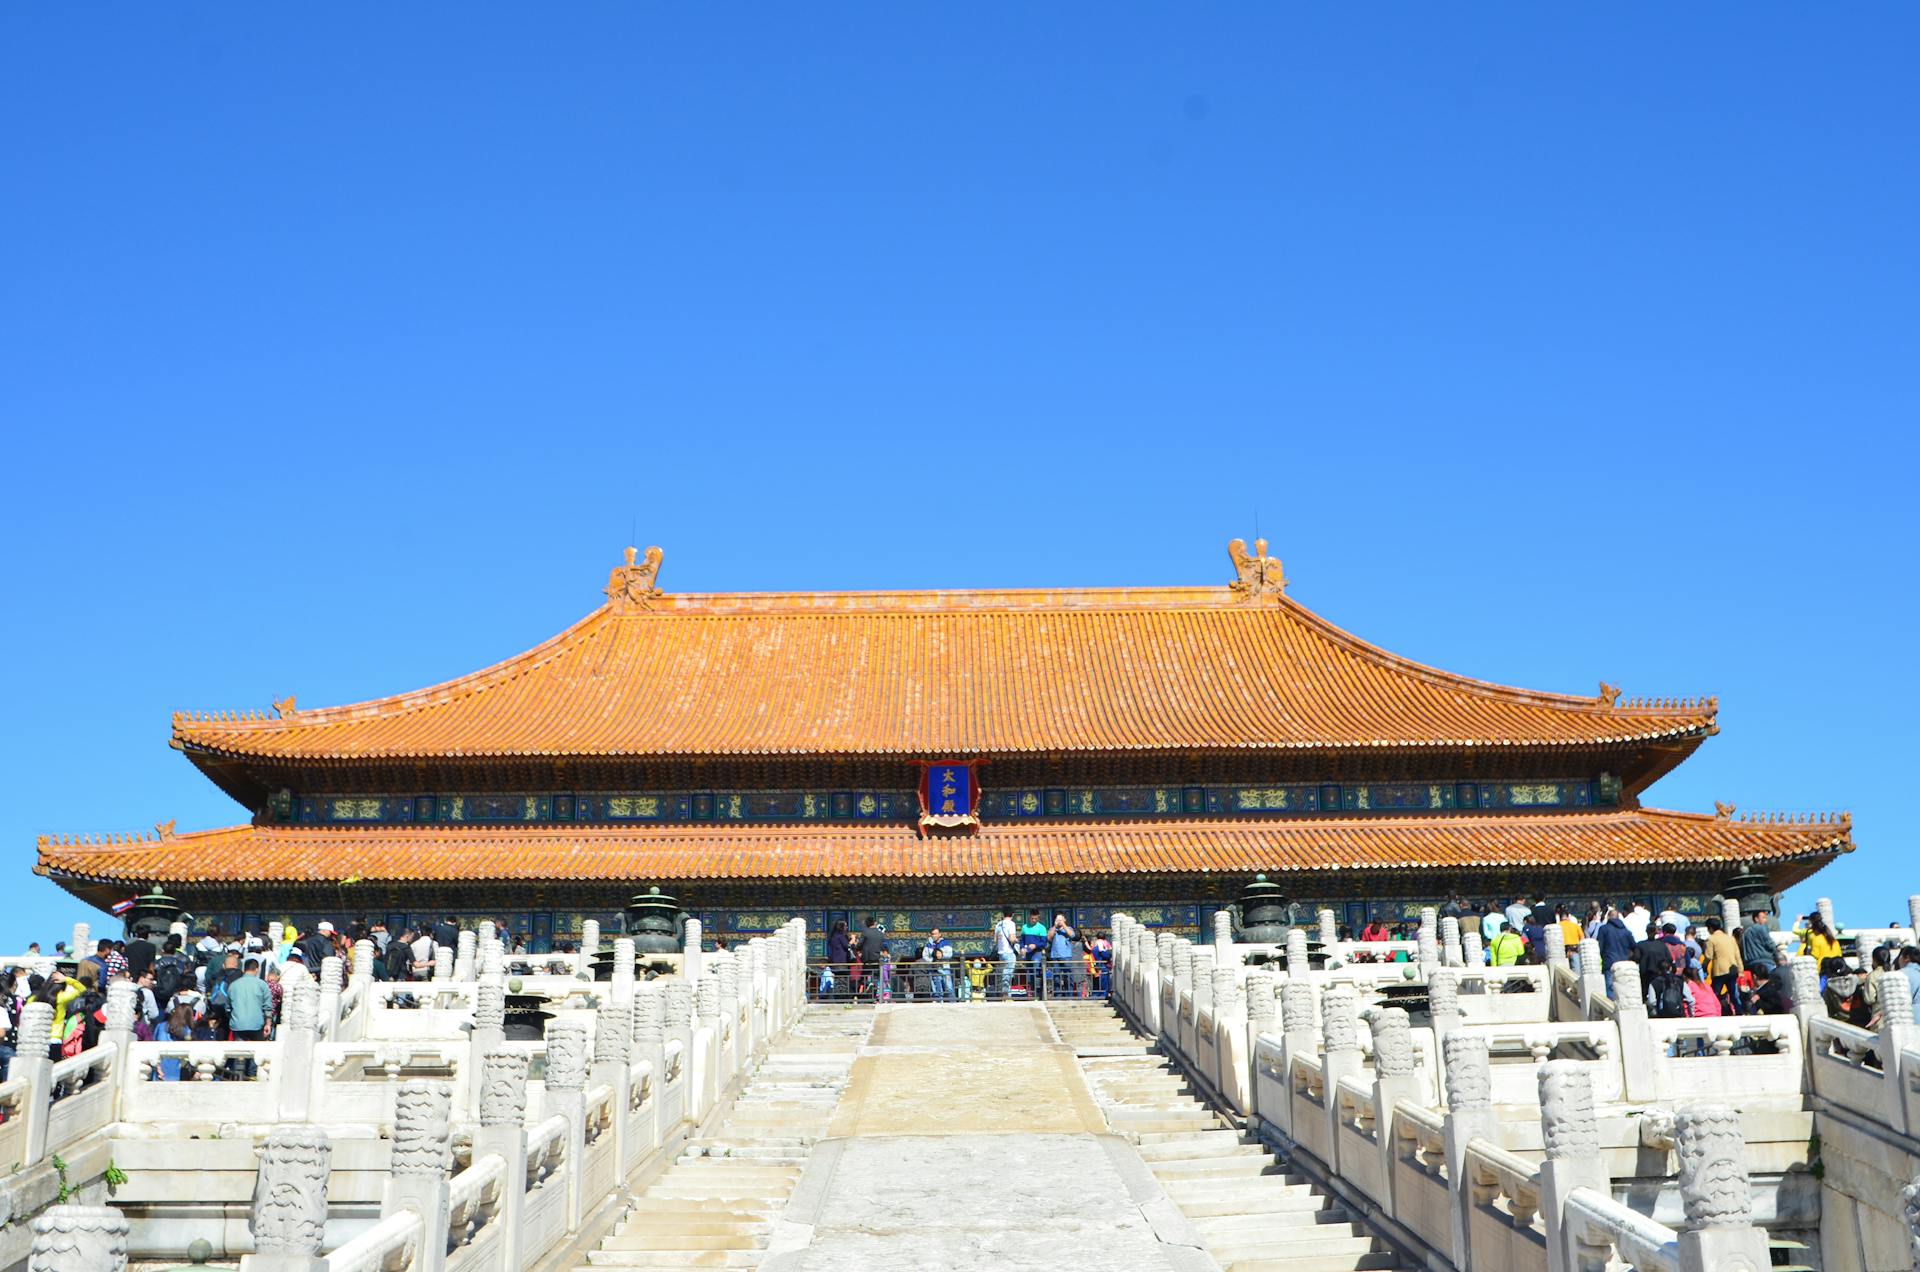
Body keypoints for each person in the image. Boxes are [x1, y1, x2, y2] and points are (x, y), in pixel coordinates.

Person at [1703, 917, 1745, 1015]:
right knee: (1733, 994)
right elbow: (1737, 955)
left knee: (1715, 994)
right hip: (1732, 970)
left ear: (1710, 928)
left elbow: (1708, 956)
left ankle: (1714, 1012)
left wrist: (1703, 967)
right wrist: (1741, 969)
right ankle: (1739, 1012)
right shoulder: (1730, 938)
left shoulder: (1711, 939)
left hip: (1719, 971)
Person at [227, 958, 274, 1042]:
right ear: (257, 969)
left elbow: (227, 1007)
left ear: (244, 969)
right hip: (257, 1025)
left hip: (238, 1025)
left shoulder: (233, 985)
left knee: (239, 1053)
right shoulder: (262, 985)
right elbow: (268, 1007)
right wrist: (268, 1024)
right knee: (257, 1052)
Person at [1821, 959, 1870, 1027]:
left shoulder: (1829, 987)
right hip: (1860, 1018)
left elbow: (1829, 1007)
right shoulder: (1858, 980)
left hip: (1840, 1021)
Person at [1739, 910, 1779, 983]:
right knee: (1771, 984)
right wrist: (1777, 954)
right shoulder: (1761, 928)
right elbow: (1769, 944)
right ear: (1756, 919)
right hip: (1765, 961)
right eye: (1763, 918)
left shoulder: (1746, 932)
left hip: (1750, 963)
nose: (1765, 920)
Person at [1048, 914, 1080, 997]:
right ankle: (1058, 994)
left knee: (1068, 975)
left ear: (1064, 920)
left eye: (1060, 919)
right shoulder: (1053, 929)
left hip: (1066, 956)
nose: (1059, 921)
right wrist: (1055, 927)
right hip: (1055, 955)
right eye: (1057, 919)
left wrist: (1063, 925)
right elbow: (1049, 937)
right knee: (1056, 976)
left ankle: (1069, 994)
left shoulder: (1068, 928)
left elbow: (1072, 935)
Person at [992, 908, 1018, 1000]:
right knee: (1008, 973)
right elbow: (1011, 938)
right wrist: (1017, 940)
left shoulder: (998, 924)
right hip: (1009, 952)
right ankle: (1006, 994)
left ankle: (1001, 993)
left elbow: (995, 940)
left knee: (1002, 973)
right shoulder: (1011, 924)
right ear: (1012, 915)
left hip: (1001, 952)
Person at [1020, 911, 1048, 995]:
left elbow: (1044, 943)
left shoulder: (1042, 928)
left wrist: (1035, 945)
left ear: (1038, 918)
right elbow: (1022, 940)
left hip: (1037, 952)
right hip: (1028, 953)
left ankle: (1038, 992)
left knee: (1036, 969)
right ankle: (1031, 992)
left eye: (1036, 918)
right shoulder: (1024, 927)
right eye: (1032, 918)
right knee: (1029, 972)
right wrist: (1021, 948)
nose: (1034, 920)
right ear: (1029, 917)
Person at [922, 928, 954, 1002]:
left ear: (940, 934)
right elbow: (924, 955)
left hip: (944, 967)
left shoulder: (945, 943)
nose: (934, 935)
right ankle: (939, 1003)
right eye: (933, 934)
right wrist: (932, 960)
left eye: (936, 933)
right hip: (934, 969)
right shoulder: (928, 945)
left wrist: (941, 956)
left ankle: (952, 1003)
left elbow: (950, 954)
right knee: (936, 988)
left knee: (948, 987)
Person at [826, 921, 853, 1003]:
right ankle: (842, 998)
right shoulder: (840, 936)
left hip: (835, 962)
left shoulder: (833, 937)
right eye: (845, 926)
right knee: (842, 980)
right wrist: (852, 941)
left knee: (838, 980)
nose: (847, 928)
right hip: (841, 962)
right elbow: (847, 946)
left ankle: (838, 997)